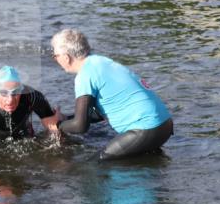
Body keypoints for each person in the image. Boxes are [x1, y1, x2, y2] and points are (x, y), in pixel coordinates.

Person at [51, 29, 173, 161]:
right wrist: (66, 118)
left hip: (146, 128)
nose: (55, 59)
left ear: (66, 57)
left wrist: (57, 125)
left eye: (55, 56)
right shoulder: (101, 62)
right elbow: (100, 113)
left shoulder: (84, 76)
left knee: (93, 165)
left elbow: (80, 126)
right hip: (164, 124)